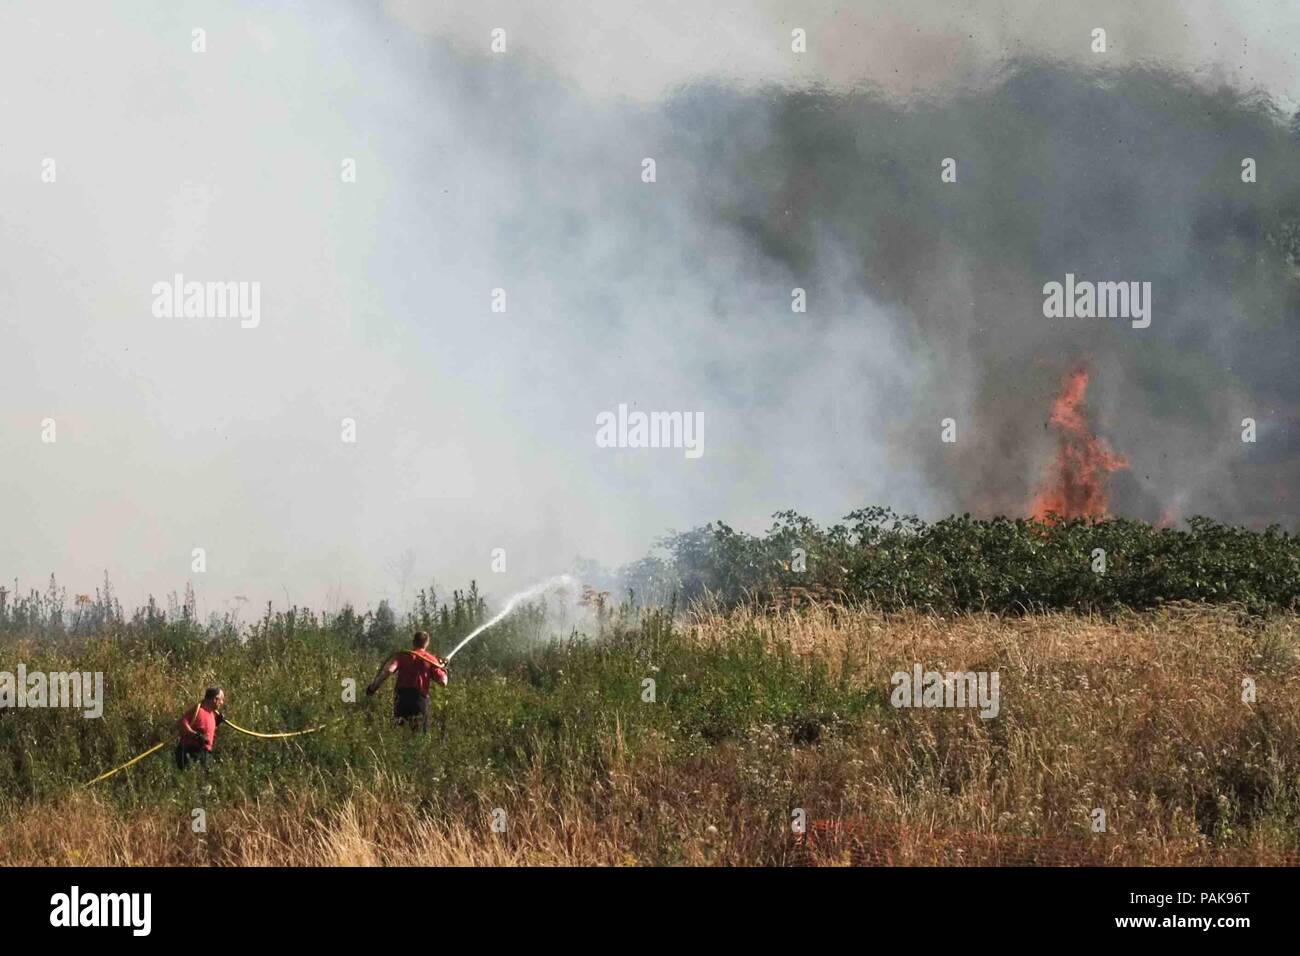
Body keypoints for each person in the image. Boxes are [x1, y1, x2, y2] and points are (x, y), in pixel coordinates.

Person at [366, 631, 448, 733]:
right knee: (419, 737)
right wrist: (443, 669)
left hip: (401, 700)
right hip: (419, 702)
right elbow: (443, 682)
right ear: (427, 643)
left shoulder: (402, 656)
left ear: (413, 642)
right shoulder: (431, 659)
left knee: (400, 735)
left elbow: (389, 671)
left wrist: (373, 687)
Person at [176, 687, 225, 770]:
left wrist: (217, 722)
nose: (222, 703)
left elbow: (207, 730)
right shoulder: (197, 710)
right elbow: (182, 723)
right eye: (221, 700)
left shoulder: (212, 715)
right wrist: (195, 735)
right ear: (215, 699)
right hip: (190, 751)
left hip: (205, 753)